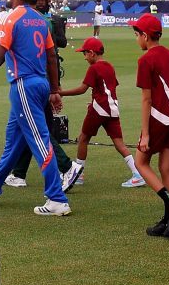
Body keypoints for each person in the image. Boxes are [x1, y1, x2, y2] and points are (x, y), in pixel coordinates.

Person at [0, 0, 72, 217]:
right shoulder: (40, 19)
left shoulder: (11, 18)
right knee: (14, 142)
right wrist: (55, 90)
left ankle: (57, 199)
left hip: (24, 86)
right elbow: (51, 56)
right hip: (40, 84)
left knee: (40, 140)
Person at [129, 12, 169, 237]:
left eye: (137, 34)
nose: (136, 38)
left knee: (141, 162)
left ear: (145, 36)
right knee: (166, 166)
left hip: (160, 118)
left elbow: (147, 99)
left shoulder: (145, 60)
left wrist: (145, 134)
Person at [61, 36, 143, 190]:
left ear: (92, 53)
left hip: (99, 109)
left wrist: (61, 92)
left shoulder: (94, 68)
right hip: (112, 108)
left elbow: (82, 89)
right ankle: (137, 174)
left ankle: (77, 175)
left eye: (85, 53)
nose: (84, 57)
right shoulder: (109, 66)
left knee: (83, 138)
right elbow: (109, 88)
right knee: (119, 143)